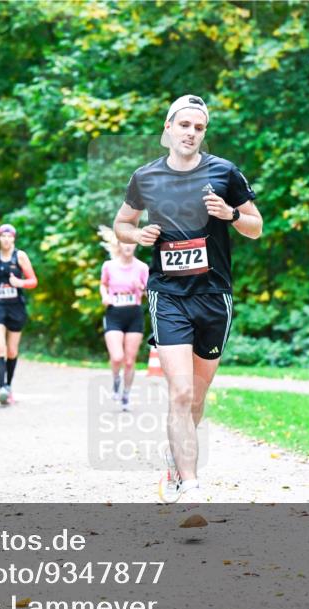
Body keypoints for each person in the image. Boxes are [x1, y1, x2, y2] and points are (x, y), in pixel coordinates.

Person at [112, 94, 263, 503]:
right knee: (179, 393)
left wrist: (230, 214)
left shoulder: (224, 173)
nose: (191, 133)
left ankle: (175, 458)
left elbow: (256, 226)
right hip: (169, 294)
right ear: (168, 129)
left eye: (199, 128)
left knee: (196, 398)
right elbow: (122, 223)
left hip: (214, 296)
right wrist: (136, 235)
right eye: (184, 125)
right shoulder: (145, 177)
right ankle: (190, 486)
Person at [0, 223, 38, 406]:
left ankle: (8, 385)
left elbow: (33, 281)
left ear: (13, 238)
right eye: (3, 236)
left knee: (12, 350)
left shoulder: (20, 256)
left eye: (9, 236)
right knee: (0, 347)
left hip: (16, 307)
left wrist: (20, 283)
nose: (6, 240)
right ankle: (2, 389)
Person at [98, 226, 148, 411]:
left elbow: (150, 292)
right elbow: (103, 285)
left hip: (134, 314)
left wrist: (141, 287)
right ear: (119, 244)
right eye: (125, 242)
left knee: (129, 360)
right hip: (114, 314)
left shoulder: (142, 267)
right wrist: (105, 296)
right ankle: (115, 380)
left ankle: (126, 393)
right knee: (117, 356)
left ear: (135, 245)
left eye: (132, 243)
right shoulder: (108, 266)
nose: (128, 246)